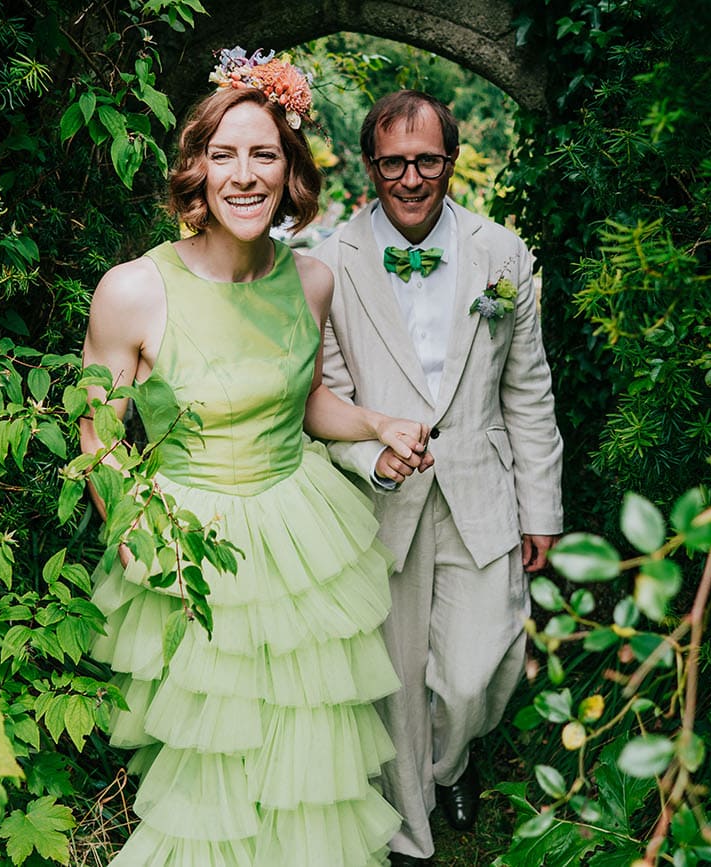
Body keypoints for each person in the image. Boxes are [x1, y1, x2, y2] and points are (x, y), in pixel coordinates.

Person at [80, 50, 433, 867]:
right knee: (214, 766)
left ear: (290, 171)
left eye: (264, 154)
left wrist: (375, 422)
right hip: (190, 541)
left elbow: (304, 400)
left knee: (307, 751)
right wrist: (141, 542)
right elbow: (99, 439)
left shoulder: (310, 282)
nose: (244, 175)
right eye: (224, 154)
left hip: (296, 534)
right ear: (196, 169)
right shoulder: (133, 291)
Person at [310, 90, 564, 865]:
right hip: (382, 501)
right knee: (396, 678)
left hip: (481, 491)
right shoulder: (327, 261)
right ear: (370, 164)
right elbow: (325, 394)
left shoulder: (503, 255)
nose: (411, 177)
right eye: (394, 162)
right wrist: (369, 456)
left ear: (450, 160)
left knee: (477, 669)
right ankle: (409, 830)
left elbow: (527, 389)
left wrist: (541, 509)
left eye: (427, 160)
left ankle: (452, 762)